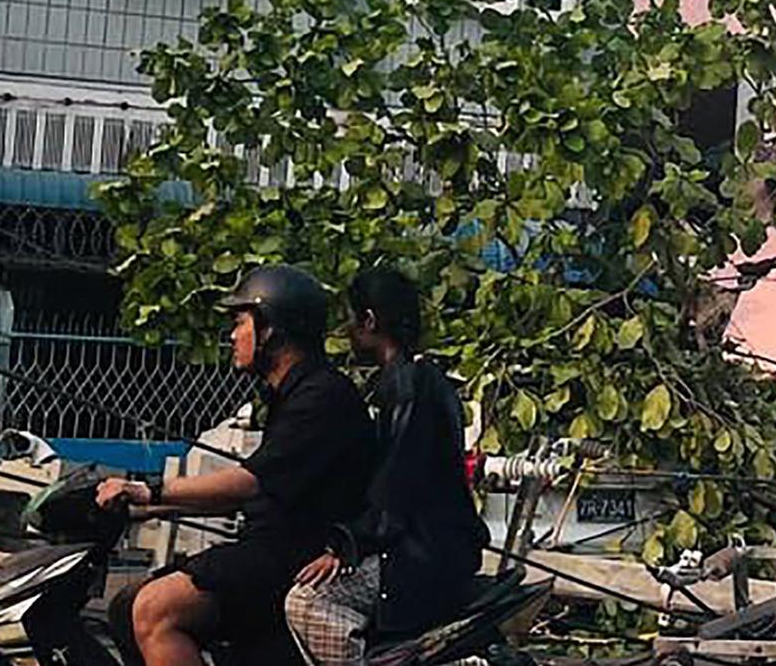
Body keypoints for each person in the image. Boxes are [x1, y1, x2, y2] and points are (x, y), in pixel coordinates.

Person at [101, 266, 376, 666]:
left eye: (240, 322)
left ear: (271, 330)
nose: (232, 335)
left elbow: (249, 483)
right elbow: (252, 491)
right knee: (125, 606)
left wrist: (147, 490)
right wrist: (144, 508)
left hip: (297, 555)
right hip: (272, 549)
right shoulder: (292, 393)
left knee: (155, 609)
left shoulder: (322, 397)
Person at [284, 266, 487, 666]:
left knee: (307, 600)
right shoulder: (410, 380)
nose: (346, 331)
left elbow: (395, 489)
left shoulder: (410, 388)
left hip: (418, 557)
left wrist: (346, 546)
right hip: (428, 548)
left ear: (370, 321)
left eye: (351, 319)